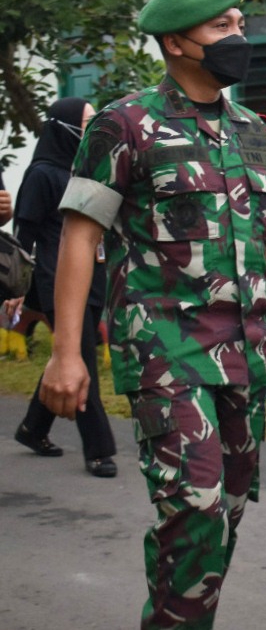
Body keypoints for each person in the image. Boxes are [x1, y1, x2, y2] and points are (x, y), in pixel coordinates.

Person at [39, 0, 266, 629]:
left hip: (249, 353)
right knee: (193, 508)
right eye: (222, 26)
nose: (239, 37)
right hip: (166, 351)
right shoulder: (125, 124)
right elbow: (80, 235)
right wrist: (66, 351)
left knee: (223, 512)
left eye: (238, 22)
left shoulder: (253, 129)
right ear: (176, 41)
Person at [11, 97, 117, 478]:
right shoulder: (43, 174)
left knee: (67, 353)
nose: (92, 129)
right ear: (64, 127)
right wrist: (17, 289)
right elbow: (24, 234)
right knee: (83, 361)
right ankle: (99, 450)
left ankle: (32, 428)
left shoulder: (85, 172)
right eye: (86, 122)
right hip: (57, 282)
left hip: (94, 281)